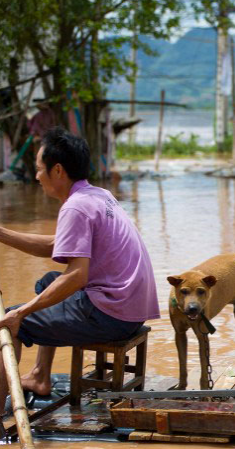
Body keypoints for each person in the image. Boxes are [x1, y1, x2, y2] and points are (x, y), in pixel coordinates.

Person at [0, 127, 159, 413]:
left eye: (39, 170)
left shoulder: (76, 207)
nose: (36, 177)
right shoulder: (98, 195)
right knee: (47, 281)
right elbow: (56, 245)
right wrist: (3, 234)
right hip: (130, 309)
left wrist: (21, 313)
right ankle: (39, 376)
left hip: (111, 314)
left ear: (57, 170)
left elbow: (77, 276)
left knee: (8, 324)